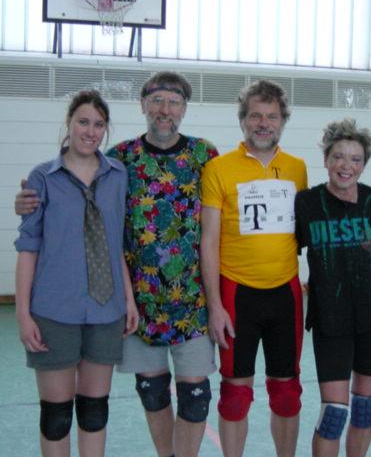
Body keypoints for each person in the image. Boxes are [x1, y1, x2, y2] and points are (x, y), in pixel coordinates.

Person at [15, 72, 219, 457]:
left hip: (183, 304)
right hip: (125, 304)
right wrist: (25, 203)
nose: (165, 110)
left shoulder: (200, 156)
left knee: (187, 401)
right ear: (143, 105)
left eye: (174, 102)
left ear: (184, 109)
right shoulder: (120, 159)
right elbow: (44, 230)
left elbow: (218, 223)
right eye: (157, 101)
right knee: (139, 396)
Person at [14, 90, 139, 457]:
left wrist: (128, 300)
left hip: (106, 310)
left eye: (99, 124)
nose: (90, 131)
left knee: (94, 411)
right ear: (68, 123)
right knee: (56, 416)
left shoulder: (118, 175)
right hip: (55, 310)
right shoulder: (42, 178)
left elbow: (114, 243)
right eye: (83, 122)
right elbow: (28, 248)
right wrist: (23, 314)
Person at [200, 79, 307, 457]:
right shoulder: (218, 169)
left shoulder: (297, 169)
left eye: (272, 116)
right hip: (237, 293)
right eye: (256, 116)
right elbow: (208, 241)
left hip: (285, 292)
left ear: (283, 121)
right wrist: (215, 306)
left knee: (287, 392)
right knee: (234, 395)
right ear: (243, 120)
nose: (264, 124)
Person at [294, 118, 371, 457]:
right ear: (326, 160)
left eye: (356, 159)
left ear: (364, 165)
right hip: (331, 319)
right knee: (333, 415)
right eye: (338, 156)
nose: (346, 165)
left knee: (364, 408)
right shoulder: (305, 204)